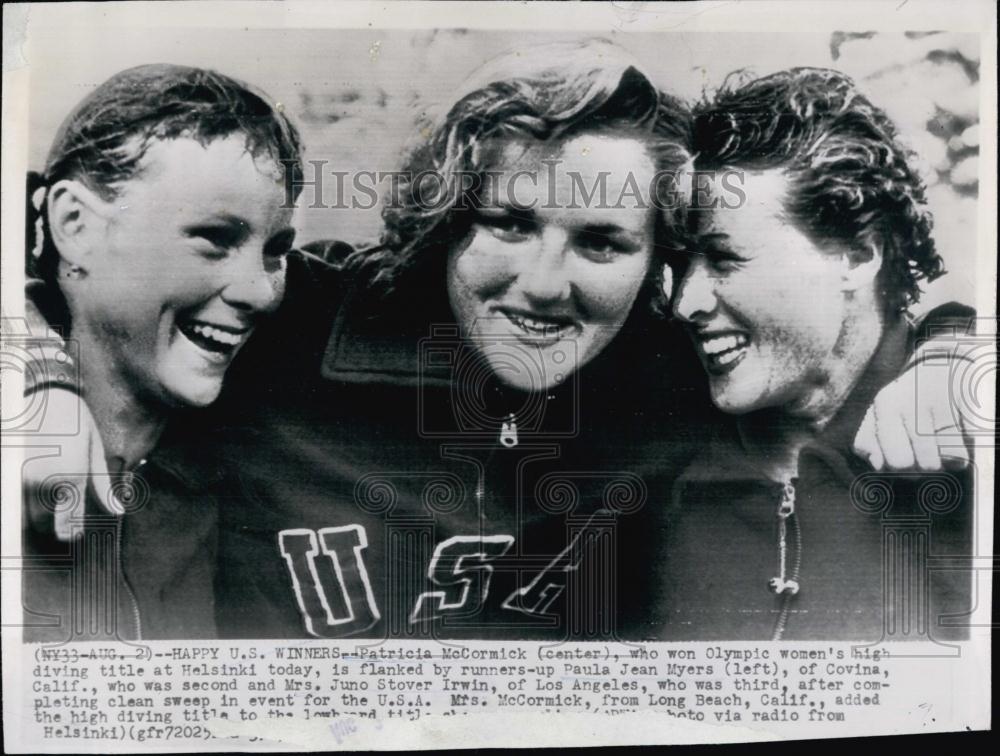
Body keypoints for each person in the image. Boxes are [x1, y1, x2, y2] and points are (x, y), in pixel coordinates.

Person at [660, 67, 975, 641]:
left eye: (725, 259)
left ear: (856, 256)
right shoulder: (654, 454)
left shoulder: (968, 443)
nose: (685, 302)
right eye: (679, 266)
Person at [20, 63, 304, 641]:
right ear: (74, 224)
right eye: (214, 239)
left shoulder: (250, 441)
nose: (259, 291)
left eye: (274, 251)